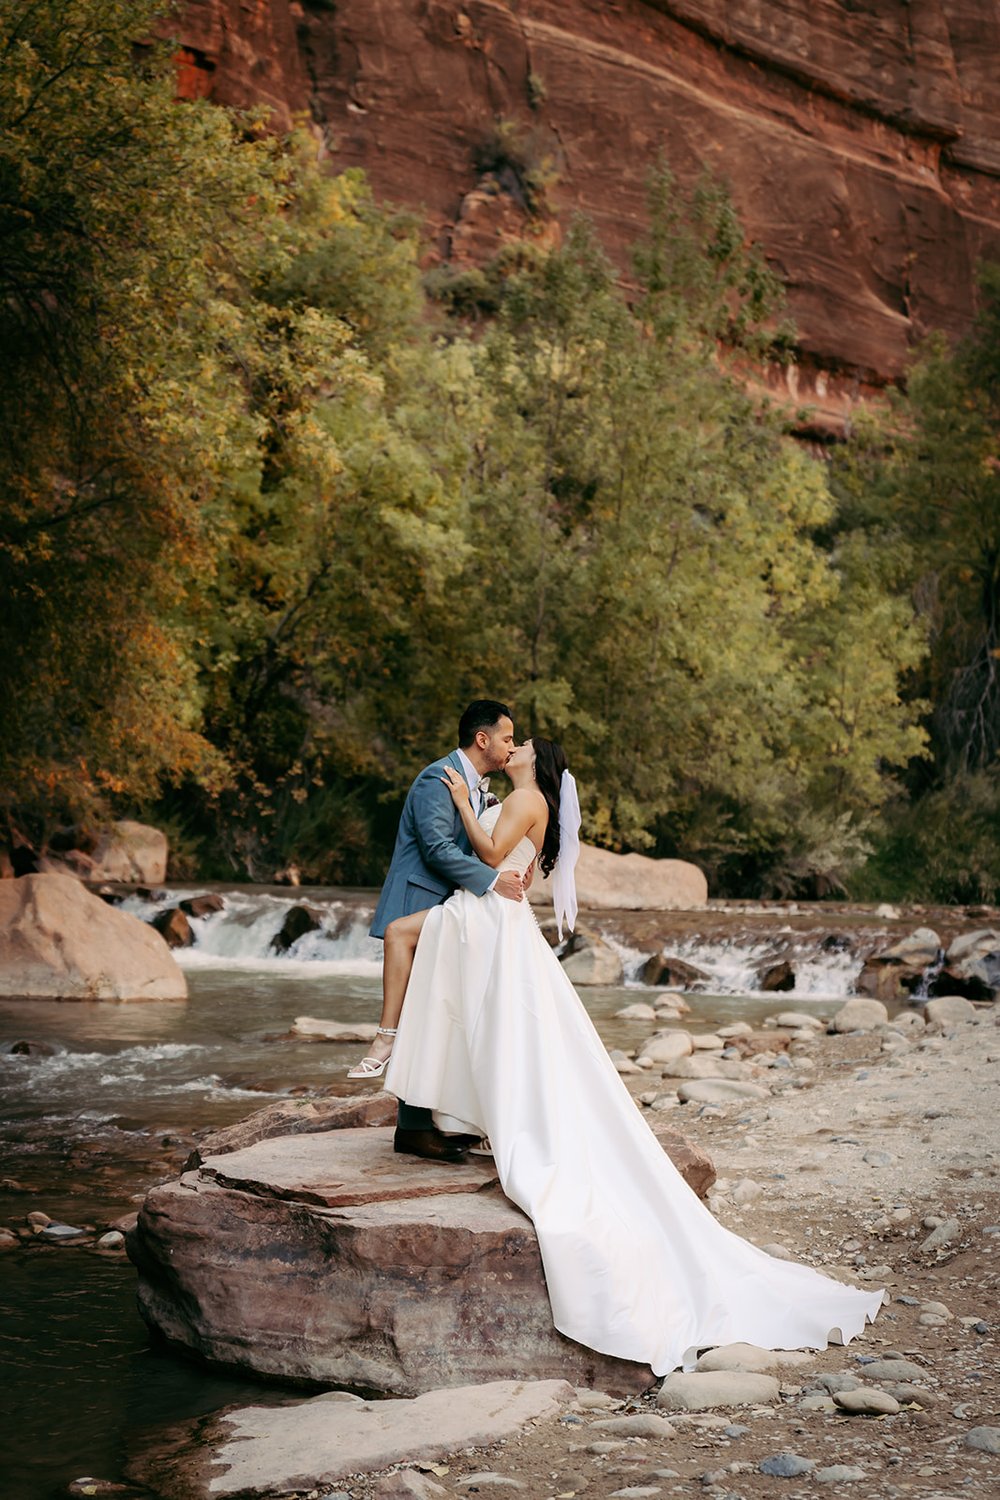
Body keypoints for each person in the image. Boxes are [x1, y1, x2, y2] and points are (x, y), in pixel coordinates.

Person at [384, 736, 884, 1377]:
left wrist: (458, 800)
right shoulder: (521, 797)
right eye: (511, 737)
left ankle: (460, 1100)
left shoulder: (524, 796)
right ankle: (461, 1112)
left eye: (523, 742)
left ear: (536, 762)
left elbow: (487, 855)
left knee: (504, 1026)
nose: (515, 745)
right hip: (491, 922)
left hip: (494, 921)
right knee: (504, 1028)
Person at [349, 700, 526, 1163]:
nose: (511, 745)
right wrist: (490, 881)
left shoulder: (478, 786)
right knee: (418, 1009)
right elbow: (435, 848)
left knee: (437, 1009)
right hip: (423, 898)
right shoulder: (436, 778)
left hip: (453, 904)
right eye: (507, 737)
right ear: (482, 739)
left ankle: (429, 1123)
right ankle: (412, 1129)